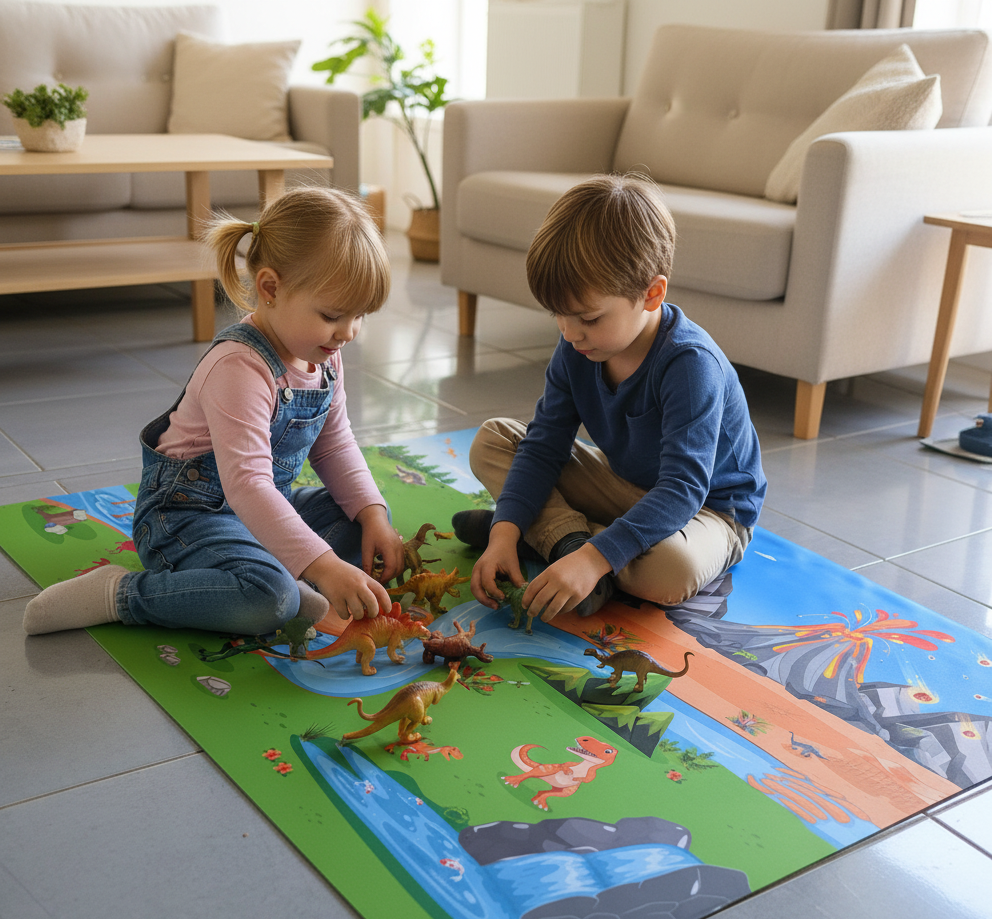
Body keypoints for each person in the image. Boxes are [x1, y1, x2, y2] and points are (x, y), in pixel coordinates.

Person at [24, 187, 404, 636]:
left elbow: (335, 443)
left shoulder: (323, 354)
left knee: (358, 521)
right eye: (333, 315)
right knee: (270, 599)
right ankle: (123, 594)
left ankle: (286, 574)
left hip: (262, 508)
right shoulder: (238, 367)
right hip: (184, 516)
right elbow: (247, 487)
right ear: (270, 288)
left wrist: (372, 513)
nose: (348, 333)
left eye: (360, 316)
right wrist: (324, 567)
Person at [456, 174, 766, 622]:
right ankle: (552, 538)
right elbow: (544, 444)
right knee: (494, 439)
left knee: (669, 573)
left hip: (707, 512)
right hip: (627, 489)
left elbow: (682, 488)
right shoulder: (579, 345)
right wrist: (503, 535)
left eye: (588, 317)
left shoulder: (691, 365)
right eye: (557, 315)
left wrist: (593, 559)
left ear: (651, 293)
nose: (569, 332)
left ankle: (555, 537)